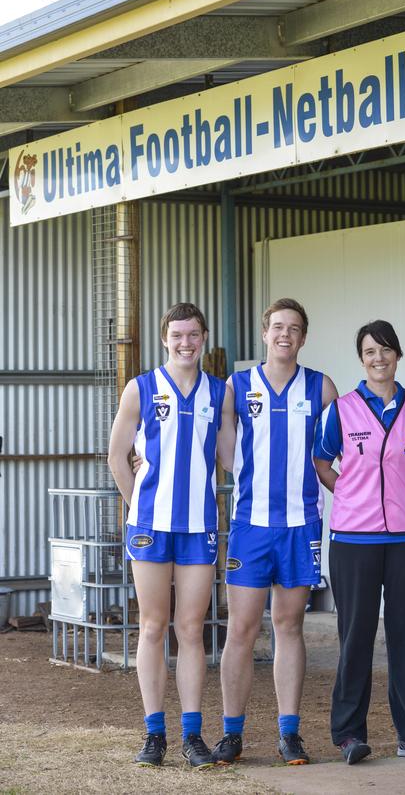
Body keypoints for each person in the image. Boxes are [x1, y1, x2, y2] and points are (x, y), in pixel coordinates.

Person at [213, 298, 338, 766]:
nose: (285, 334)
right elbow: (226, 451)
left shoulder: (322, 387)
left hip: (300, 525)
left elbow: (333, 452)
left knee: (289, 627)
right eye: (278, 327)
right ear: (265, 334)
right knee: (240, 629)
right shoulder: (237, 386)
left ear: (304, 337)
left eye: (295, 328)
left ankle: (289, 733)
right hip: (250, 526)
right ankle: (231, 733)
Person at [108, 302, 231, 768]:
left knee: (191, 630)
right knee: (153, 627)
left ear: (203, 338)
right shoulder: (140, 389)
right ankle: (154, 734)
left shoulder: (219, 393)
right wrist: (137, 503)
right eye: (177, 335)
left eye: (193, 334)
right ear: (165, 338)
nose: (186, 342)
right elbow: (117, 456)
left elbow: (229, 457)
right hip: (150, 527)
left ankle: (193, 735)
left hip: (199, 527)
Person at [314, 320, 405, 765]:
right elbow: (322, 461)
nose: (378, 358)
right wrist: (348, 492)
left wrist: (404, 490)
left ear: (397, 355)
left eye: (385, 350)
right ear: (361, 359)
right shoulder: (341, 410)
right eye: (369, 351)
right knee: (355, 637)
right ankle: (349, 734)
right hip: (353, 538)